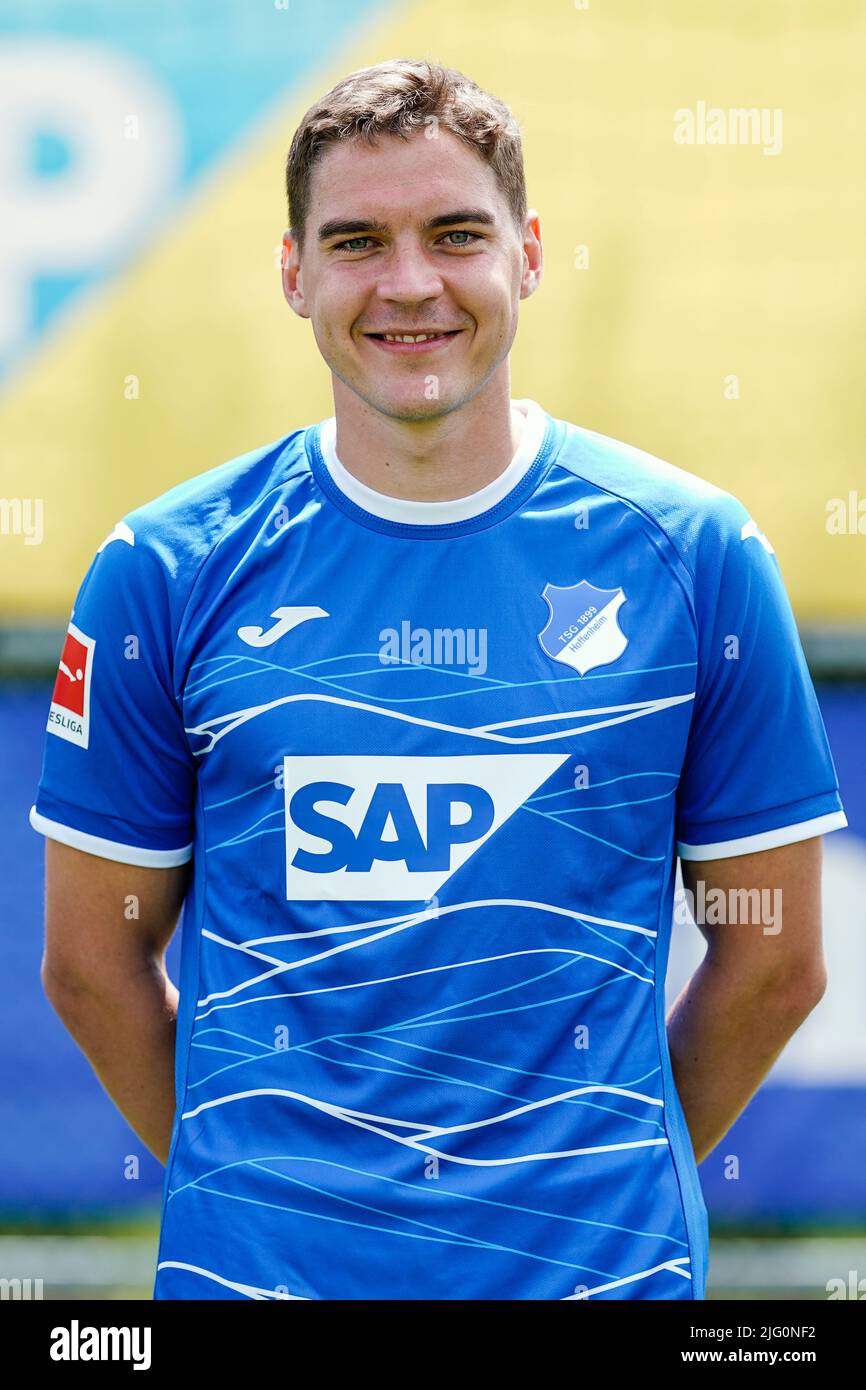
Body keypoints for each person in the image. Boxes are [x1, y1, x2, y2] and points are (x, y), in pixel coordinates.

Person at [31, 58, 847, 1301]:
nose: (408, 283)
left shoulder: (694, 556)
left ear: (525, 254)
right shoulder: (161, 568)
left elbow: (776, 957)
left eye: (453, 235)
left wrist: (591, 1185)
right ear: (293, 272)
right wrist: (260, 1188)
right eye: (356, 241)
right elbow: (92, 960)